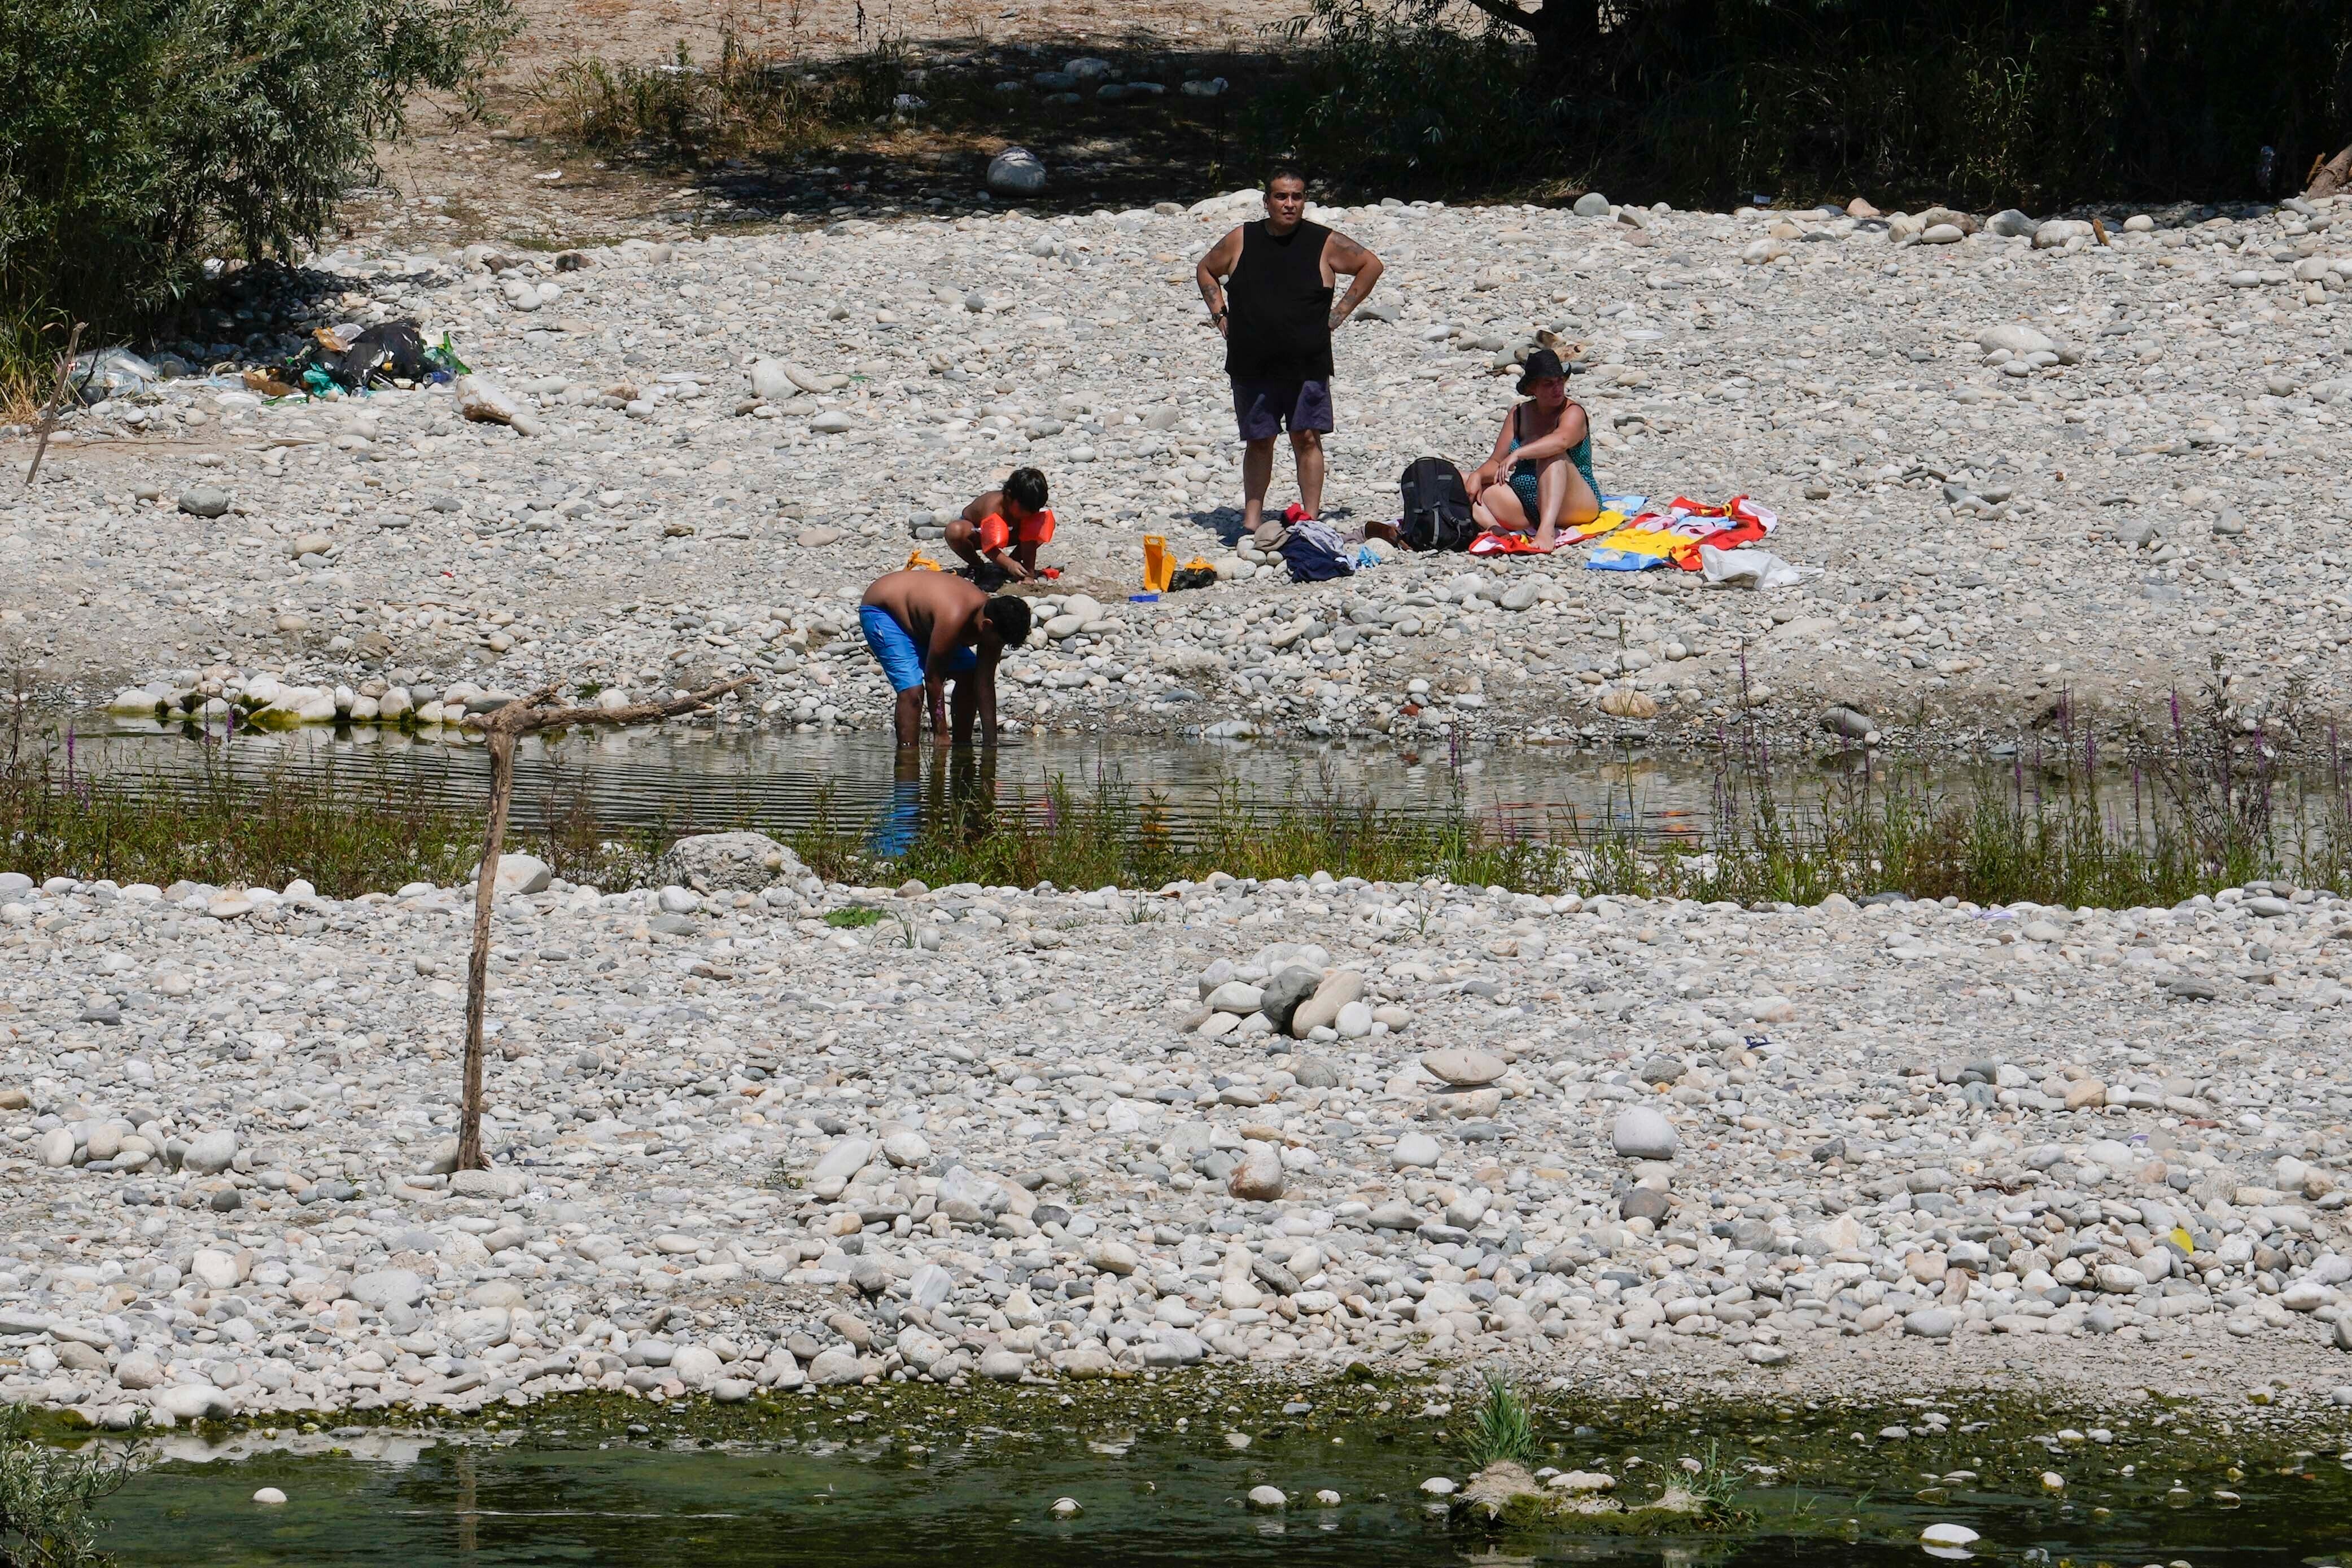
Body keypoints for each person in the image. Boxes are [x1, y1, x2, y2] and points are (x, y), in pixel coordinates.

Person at [1195, 165, 1384, 532]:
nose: (1289, 204)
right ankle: (1252, 521)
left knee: (1307, 437)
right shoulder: (1242, 239)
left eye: (1297, 197)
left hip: (1307, 361)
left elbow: (1370, 265)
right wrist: (1220, 315)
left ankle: (1310, 518)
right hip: (1252, 361)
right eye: (1281, 196)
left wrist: (1340, 313)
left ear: (1305, 201)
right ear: (1267, 201)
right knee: (1259, 440)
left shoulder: (1323, 241)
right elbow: (1206, 269)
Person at [858, 570, 1032, 748]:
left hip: (925, 623)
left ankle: (962, 745)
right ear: (987, 626)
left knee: (971, 675)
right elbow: (934, 678)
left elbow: (984, 682)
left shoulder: (993, 625)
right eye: (999, 642)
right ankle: (907, 761)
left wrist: (991, 742)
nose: (997, 646)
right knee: (913, 692)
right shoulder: (954, 617)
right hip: (885, 611)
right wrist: (940, 734)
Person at [1464, 348, 1601, 551]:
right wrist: (1478, 475)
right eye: (1548, 384)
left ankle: (1546, 531)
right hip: (1526, 505)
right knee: (1460, 478)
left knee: (1551, 455)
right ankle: (1493, 527)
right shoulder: (1519, 414)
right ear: (1533, 388)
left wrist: (1519, 453)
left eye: (1560, 382)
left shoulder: (1573, 412)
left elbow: (1561, 441)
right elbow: (1497, 462)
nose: (1557, 389)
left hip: (1574, 503)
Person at [945, 466, 1055, 585]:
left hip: (1009, 533)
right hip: (978, 534)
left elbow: (1030, 541)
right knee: (954, 531)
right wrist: (1009, 564)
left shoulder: (1028, 510)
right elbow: (989, 547)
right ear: (1009, 496)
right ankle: (977, 565)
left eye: (1034, 510)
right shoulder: (992, 508)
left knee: (1041, 526)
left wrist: (1029, 575)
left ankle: (1013, 562)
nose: (1029, 514)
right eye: (1024, 509)